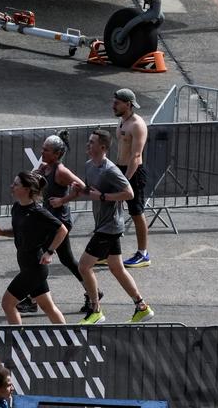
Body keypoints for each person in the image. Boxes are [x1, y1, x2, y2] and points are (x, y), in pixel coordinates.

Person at [67, 128, 154, 325]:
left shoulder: (111, 170)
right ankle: (142, 307)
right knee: (117, 268)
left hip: (110, 226)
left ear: (103, 148)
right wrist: (77, 192)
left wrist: (104, 197)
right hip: (103, 224)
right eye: (88, 142)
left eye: (92, 143)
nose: (88, 145)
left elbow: (129, 193)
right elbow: (91, 192)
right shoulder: (90, 166)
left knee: (83, 266)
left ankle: (96, 310)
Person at [16, 133, 90, 316]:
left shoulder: (61, 171)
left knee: (37, 257)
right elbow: (32, 181)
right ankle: (92, 293)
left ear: (56, 154)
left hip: (59, 224)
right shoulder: (45, 168)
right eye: (42, 148)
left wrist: (64, 199)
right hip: (48, 222)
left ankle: (33, 300)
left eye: (46, 150)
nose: (41, 152)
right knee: (67, 260)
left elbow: (84, 188)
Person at [0, 171, 68, 325]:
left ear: (27, 189)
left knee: (7, 303)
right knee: (48, 307)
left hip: (34, 268)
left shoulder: (37, 212)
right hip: (26, 265)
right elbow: (20, 232)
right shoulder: (16, 208)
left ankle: (19, 344)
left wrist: (49, 252)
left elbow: (62, 230)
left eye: (16, 184)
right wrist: (2, 232)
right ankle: (71, 342)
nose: (12, 186)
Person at [113, 88, 152, 268]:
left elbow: (136, 156)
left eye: (117, 103)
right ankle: (110, 252)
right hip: (120, 169)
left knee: (136, 212)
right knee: (113, 210)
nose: (113, 105)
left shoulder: (137, 125)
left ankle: (143, 253)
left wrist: (125, 180)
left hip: (133, 172)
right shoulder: (122, 122)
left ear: (127, 104)